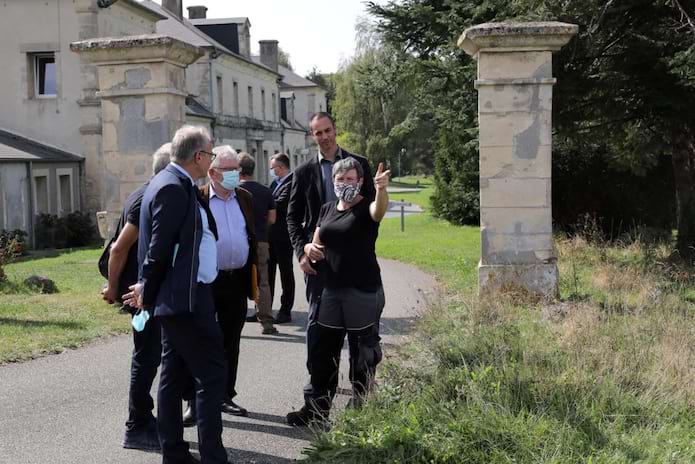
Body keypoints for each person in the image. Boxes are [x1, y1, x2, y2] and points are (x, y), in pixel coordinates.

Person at [123, 126, 229, 464]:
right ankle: (212, 456)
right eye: (210, 154)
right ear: (198, 157)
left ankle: (175, 452)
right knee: (212, 376)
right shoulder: (171, 187)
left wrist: (148, 290)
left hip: (179, 297)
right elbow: (157, 249)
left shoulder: (175, 183)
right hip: (183, 300)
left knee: (172, 374)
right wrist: (147, 291)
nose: (211, 160)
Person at [286, 112, 376, 424]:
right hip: (320, 270)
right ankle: (316, 405)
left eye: (327, 130)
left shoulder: (359, 164)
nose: (323, 136)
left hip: (356, 268)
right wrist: (303, 250)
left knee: (360, 339)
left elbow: (373, 212)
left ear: (335, 131)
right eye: (317, 132)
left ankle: (362, 405)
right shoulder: (305, 171)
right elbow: (292, 217)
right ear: (312, 136)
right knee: (320, 340)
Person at [101, 143, 170, 451]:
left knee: (153, 356)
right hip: (140, 294)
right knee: (146, 357)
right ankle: (137, 425)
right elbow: (119, 248)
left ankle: (148, 418)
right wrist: (114, 288)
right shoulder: (148, 197)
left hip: (147, 291)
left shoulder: (147, 191)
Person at [189, 145, 257, 421]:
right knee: (202, 341)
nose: (234, 174)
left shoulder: (245, 198)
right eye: (229, 170)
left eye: (237, 170)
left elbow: (252, 235)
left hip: (237, 279)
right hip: (208, 281)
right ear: (212, 173)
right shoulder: (199, 198)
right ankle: (196, 399)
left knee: (231, 340)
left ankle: (225, 395)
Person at [238, 152, 279, 335]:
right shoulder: (265, 190)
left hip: (240, 241)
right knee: (263, 282)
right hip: (261, 240)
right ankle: (267, 323)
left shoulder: (234, 191)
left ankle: (235, 321)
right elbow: (272, 218)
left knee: (235, 281)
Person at [268, 153, 295, 324]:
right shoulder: (274, 183)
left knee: (286, 273)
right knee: (268, 273)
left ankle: (285, 310)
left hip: (284, 236)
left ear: (282, 167)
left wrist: (266, 203)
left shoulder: (292, 183)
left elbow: (279, 204)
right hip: (270, 236)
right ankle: (265, 309)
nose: (271, 171)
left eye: (273, 168)